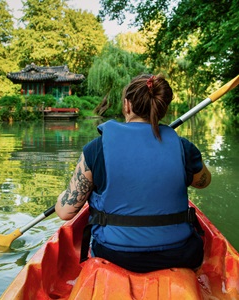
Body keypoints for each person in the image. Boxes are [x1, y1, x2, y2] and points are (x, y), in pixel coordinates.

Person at [55, 73, 211, 273]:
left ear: (127, 105)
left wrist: (63, 196)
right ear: (162, 109)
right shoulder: (183, 148)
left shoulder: (96, 149)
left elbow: (65, 212)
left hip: (114, 255)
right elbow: (203, 182)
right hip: (180, 253)